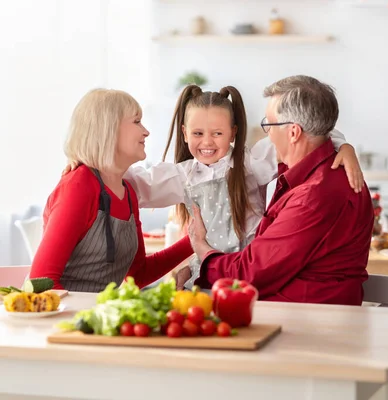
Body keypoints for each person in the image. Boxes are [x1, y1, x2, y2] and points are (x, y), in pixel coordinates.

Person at [118, 84, 364, 290]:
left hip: (249, 270)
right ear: (184, 133)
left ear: (233, 133)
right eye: (197, 133)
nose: (206, 142)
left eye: (217, 133)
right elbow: (133, 183)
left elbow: (310, 132)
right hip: (210, 272)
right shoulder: (183, 176)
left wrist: (343, 147)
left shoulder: (251, 162)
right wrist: (90, 159)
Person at [187, 75, 373, 305]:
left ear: (293, 133)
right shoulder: (322, 173)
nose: (268, 134)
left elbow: (249, 273)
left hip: (306, 324)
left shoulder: (313, 195)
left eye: (269, 124)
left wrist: (203, 252)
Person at [29, 89, 194, 292]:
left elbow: (139, 275)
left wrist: (194, 240)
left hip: (97, 314)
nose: (146, 131)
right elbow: (41, 282)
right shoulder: (79, 186)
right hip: (63, 318)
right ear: (108, 128)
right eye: (136, 121)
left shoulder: (128, 193)